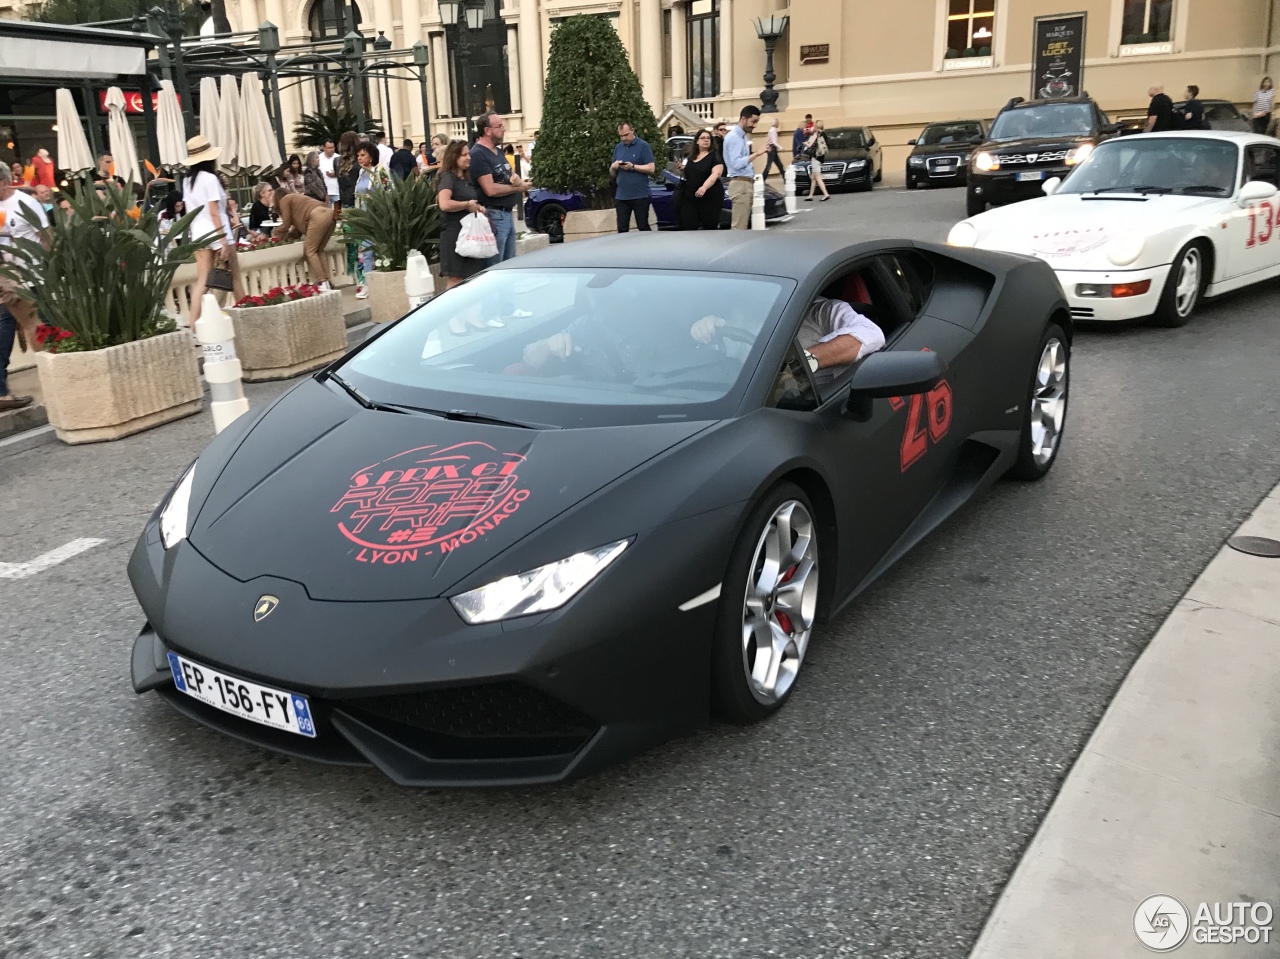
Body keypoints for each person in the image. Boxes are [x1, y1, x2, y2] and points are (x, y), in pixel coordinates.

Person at [691, 295, 884, 384]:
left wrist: (799, 365)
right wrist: (704, 332)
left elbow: (871, 334)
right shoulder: (732, 319)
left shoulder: (822, 311)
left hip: (815, 412)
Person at [181, 134, 244, 325]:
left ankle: (193, 327)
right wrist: (223, 239)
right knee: (235, 278)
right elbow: (214, 212)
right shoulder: (210, 179)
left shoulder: (187, 181)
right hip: (217, 231)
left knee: (202, 282)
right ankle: (247, 317)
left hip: (199, 233)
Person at [0, 163, 47, 410]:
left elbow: (45, 235)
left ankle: (49, 376)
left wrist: (53, 267)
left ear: (5, 181)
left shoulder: (25, 203)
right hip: (7, 276)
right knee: (19, 325)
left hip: (34, 275)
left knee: (36, 324)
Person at [470, 111, 528, 264]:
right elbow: (490, 189)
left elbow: (511, 175)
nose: (504, 129)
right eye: (500, 126)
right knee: (495, 266)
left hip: (507, 214)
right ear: (487, 130)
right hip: (494, 214)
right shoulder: (478, 154)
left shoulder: (498, 151)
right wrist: (517, 189)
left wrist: (520, 181)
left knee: (508, 265)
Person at [434, 140, 487, 293]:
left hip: (468, 236)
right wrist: (466, 205)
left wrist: (476, 207)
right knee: (455, 279)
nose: (468, 157)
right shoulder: (448, 178)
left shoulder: (465, 179)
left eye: (468, 154)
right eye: (463, 155)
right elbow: (444, 204)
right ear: (454, 157)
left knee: (470, 279)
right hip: (454, 235)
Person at [266, 185, 337, 290]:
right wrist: (290, 236)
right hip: (330, 213)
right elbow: (297, 226)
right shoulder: (296, 199)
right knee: (319, 250)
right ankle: (328, 281)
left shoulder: (285, 200)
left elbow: (286, 224)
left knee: (310, 251)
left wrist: (275, 235)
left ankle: (322, 282)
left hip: (317, 215)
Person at [353, 140, 391, 297]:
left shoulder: (380, 171)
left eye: (363, 155)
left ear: (371, 156)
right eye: (358, 156)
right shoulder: (361, 173)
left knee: (381, 249)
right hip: (364, 215)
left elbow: (388, 191)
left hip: (378, 215)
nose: (360, 158)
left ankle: (384, 282)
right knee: (366, 250)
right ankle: (367, 284)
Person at [723, 105, 766, 228]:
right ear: (743, 119)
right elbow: (736, 164)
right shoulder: (734, 138)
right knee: (739, 227)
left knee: (742, 225)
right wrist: (757, 154)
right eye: (753, 121)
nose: (755, 125)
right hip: (740, 183)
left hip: (744, 183)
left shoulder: (741, 137)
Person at [610, 121, 656, 233]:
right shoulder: (618, 148)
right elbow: (612, 174)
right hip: (622, 196)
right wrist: (613, 167)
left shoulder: (643, 146)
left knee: (643, 226)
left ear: (632, 131)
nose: (624, 138)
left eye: (626, 135)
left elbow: (651, 168)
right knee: (622, 229)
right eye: (621, 136)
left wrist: (633, 167)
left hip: (640, 195)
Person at [676, 129, 724, 231]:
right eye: (703, 138)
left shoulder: (714, 155)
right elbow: (691, 174)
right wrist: (682, 169)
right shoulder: (691, 157)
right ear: (697, 141)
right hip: (691, 196)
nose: (706, 140)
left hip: (709, 197)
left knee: (709, 225)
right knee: (688, 224)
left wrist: (704, 187)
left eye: (708, 138)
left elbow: (716, 173)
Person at [804, 121, 831, 201]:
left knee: (818, 177)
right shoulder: (824, 134)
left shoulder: (816, 134)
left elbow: (810, 144)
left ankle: (826, 194)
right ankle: (810, 195)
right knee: (813, 177)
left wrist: (805, 143)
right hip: (821, 156)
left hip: (816, 157)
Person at [318, 138, 340, 206]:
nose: (331, 149)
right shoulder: (319, 158)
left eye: (333, 147)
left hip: (337, 192)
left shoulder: (339, 158)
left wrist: (336, 174)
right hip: (324, 193)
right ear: (324, 148)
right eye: (329, 148)